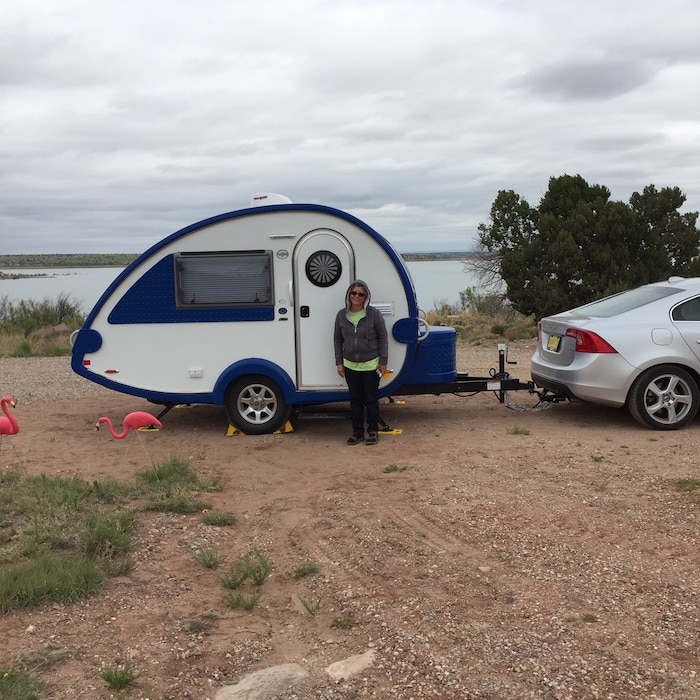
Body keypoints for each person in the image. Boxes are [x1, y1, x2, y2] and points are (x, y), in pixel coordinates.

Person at [334, 280, 388, 445]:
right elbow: (337, 339)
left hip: (371, 364)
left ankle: (373, 430)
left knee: (370, 399)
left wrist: (383, 361)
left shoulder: (373, 314)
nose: (356, 296)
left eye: (360, 294)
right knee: (355, 400)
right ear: (349, 295)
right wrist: (339, 362)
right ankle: (357, 432)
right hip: (350, 365)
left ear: (366, 297)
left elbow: (382, 337)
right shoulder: (341, 315)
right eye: (353, 293)